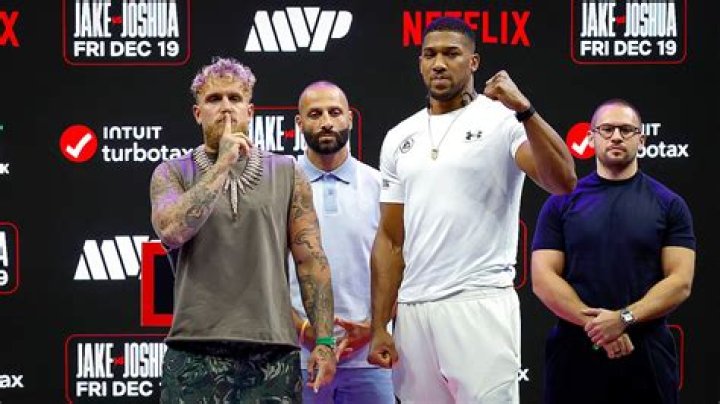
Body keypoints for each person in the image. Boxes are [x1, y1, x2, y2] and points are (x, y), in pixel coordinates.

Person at [367, 17, 577, 403]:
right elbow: (391, 238)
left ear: (474, 62)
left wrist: (525, 109)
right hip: (413, 310)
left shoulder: (503, 121)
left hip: (478, 302)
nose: (439, 63)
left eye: (451, 54)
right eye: (430, 55)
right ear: (420, 62)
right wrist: (380, 324)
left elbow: (562, 181)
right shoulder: (399, 136)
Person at [149, 56, 336, 403]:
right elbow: (171, 231)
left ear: (250, 111)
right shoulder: (172, 172)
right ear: (198, 113)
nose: (225, 107)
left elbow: (311, 260)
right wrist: (222, 163)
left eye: (235, 98)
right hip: (194, 348)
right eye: (214, 99)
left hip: (272, 351)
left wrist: (324, 341)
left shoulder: (287, 171)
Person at [531, 98, 696, 404]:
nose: (616, 137)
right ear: (591, 137)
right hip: (574, 354)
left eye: (626, 130)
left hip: (647, 354)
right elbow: (543, 279)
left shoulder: (669, 204)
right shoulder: (560, 203)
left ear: (641, 140)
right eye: (606, 130)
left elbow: (680, 282)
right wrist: (601, 329)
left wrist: (624, 318)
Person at [287, 81, 395, 403]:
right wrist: (303, 330)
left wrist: (375, 327)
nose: (326, 122)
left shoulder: (380, 187)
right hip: (298, 357)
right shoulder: (281, 187)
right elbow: (264, 273)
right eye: (315, 114)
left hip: (370, 358)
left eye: (334, 112)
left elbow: (401, 267)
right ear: (299, 123)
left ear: (349, 118)